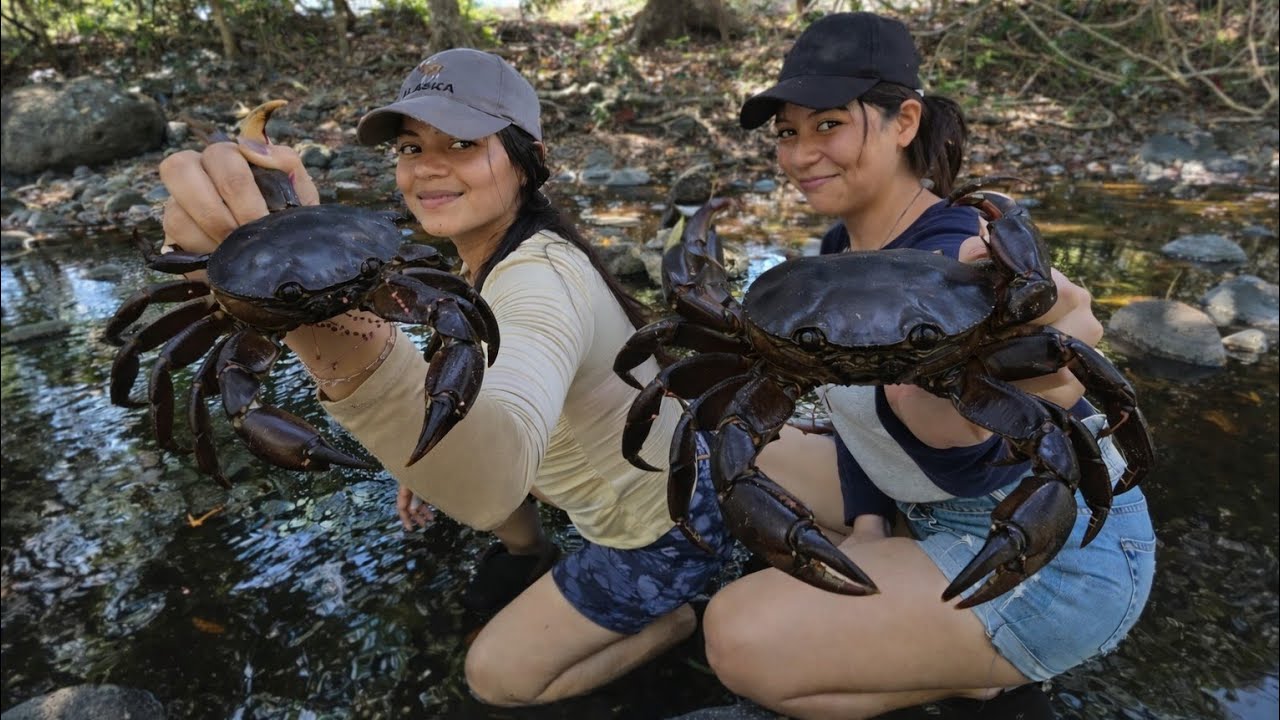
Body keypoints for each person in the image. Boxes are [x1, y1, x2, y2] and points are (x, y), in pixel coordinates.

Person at [156, 48, 734, 707]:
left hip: (664, 532)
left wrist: (296, 301)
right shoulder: (509, 249)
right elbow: (485, 384)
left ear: (529, 159)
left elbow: (495, 474)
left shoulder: (540, 281)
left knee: (495, 677)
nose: (426, 167)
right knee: (447, 421)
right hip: (662, 468)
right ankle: (531, 550)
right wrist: (415, 460)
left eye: (462, 142)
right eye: (408, 147)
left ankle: (678, 620)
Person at [698, 12, 1156, 720]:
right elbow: (850, 414)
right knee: (741, 444)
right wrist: (871, 520)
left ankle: (978, 673)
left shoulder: (968, 260)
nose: (798, 154)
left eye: (827, 125)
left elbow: (1025, 421)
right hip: (928, 508)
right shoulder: (836, 254)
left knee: (734, 636)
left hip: (1059, 543)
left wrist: (1038, 367)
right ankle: (917, 610)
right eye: (787, 133)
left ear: (904, 120)